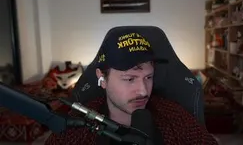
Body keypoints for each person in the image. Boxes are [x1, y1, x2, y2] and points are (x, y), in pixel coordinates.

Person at [47, 31, 218, 145]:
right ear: (102, 78)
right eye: (130, 79)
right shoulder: (78, 127)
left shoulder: (174, 117)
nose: (143, 91)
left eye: (148, 77)